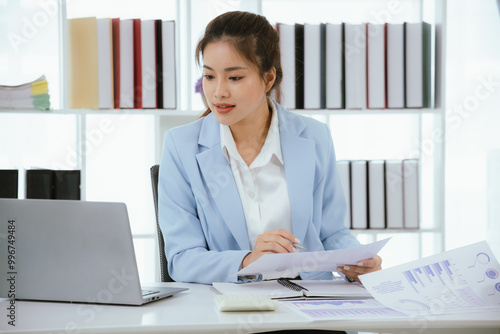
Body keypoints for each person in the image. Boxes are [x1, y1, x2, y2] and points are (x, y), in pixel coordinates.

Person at [158, 11, 382, 285]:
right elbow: (182, 259)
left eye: (235, 78)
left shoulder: (314, 136)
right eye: (209, 76)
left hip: (310, 298)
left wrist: (357, 259)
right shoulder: (180, 147)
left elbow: (331, 232)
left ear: (268, 79)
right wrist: (247, 261)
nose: (218, 92)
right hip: (231, 308)